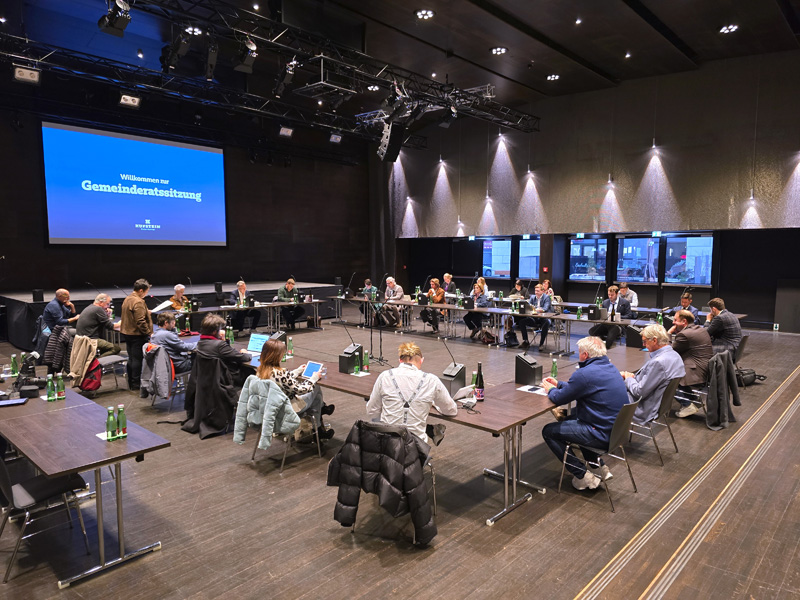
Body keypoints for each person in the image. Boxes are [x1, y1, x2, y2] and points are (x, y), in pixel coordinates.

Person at [540, 336, 628, 490]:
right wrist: (559, 384)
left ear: (585, 355)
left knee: (549, 431)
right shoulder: (611, 368)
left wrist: (551, 389)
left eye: (579, 352)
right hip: (616, 432)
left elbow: (559, 398)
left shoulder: (584, 373)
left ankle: (582, 476)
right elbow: (584, 387)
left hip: (601, 435)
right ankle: (599, 468)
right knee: (574, 419)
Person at [367, 341, 458, 445]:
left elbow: (371, 411)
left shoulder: (385, 376)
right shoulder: (431, 380)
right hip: (416, 446)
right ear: (421, 361)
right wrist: (433, 404)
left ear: (400, 360)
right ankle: (431, 430)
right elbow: (451, 410)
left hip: (387, 445)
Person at [254, 339, 334, 441]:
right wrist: (314, 378)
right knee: (316, 387)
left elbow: (282, 381)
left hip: (269, 410)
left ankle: (319, 427)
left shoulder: (260, 370)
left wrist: (297, 371)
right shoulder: (280, 373)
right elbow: (300, 389)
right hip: (287, 410)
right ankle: (321, 412)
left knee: (316, 399)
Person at [621, 324, 685, 424]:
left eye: (645, 341)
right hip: (657, 404)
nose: (643, 345)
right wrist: (632, 378)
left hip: (642, 407)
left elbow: (640, 392)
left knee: (605, 396)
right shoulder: (675, 355)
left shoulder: (658, 363)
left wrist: (629, 378)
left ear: (654, 340)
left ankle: (610, 431)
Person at [668, 310, 714, 418]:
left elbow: (668, 351)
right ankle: (694, 401)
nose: (673, 322)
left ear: (684, 321)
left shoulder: (684, 334)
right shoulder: (701, 329)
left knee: (665, 377)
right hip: (705, 367)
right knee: (673, 371)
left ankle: (687, 405)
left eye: (675, 320)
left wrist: (669, 334)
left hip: (696, 370)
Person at [195, 313, 252, 387]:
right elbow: (244, 358)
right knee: (253, 373)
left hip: (209, 379)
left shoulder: (200, 343)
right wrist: (246, 353)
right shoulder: (219, 345)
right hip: (226, 379)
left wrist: (221, 339)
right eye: (220, 329)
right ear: (214, 332)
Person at [120, 279, 154, 392]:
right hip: (136, 335)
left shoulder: (128, 298)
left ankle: (131, 382)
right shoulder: (138, 301)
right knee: (137, 360)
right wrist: (148, 332)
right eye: (146, 291)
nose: (146, 294)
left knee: (131, 358)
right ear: (141, 290)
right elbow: (140, 321)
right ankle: (136, 384)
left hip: (127, 333)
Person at [515, 284, 551, 350]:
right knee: (522, 322)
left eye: (538, 291)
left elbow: (545, 308)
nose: (536, 292)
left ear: (542, 291)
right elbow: (529, 307)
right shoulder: (532, 297)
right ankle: (526, 341)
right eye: (535, 291)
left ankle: (541, 344)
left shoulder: (547, 297)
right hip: (534, 318)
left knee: (547, 322)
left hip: (543, 318)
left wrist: (536, 309)